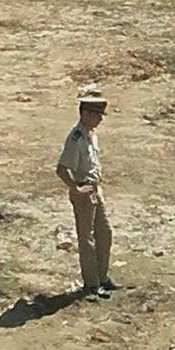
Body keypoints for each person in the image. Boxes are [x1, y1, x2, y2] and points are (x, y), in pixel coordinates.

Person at [56, 97, 117, 303]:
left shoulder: (92, 135)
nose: (100, 119)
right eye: (97, 114)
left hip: (95, 190)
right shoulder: (76, 138)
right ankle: (92, 284)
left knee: (105, 232)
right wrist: (76, 188)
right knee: (87, 238)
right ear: (85, 114)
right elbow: (61, 169)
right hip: (84, 192)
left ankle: (102, 277)